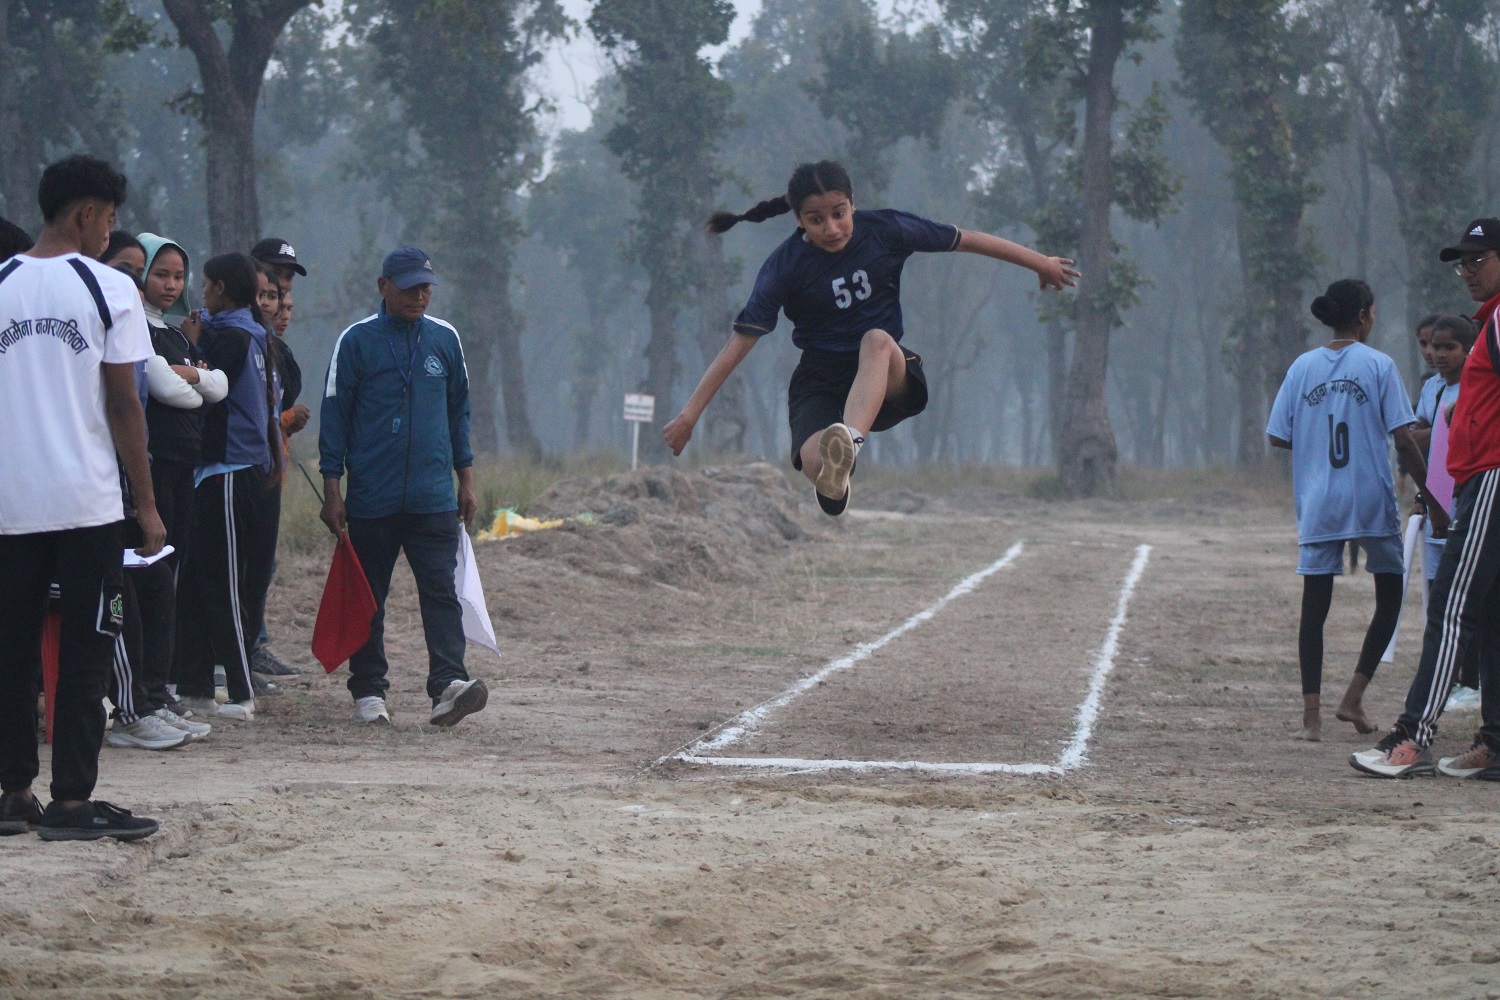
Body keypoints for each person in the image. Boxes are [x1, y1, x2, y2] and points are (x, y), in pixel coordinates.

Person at [664, 160, 1078, 515]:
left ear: (852, 204)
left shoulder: (885, 229)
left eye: (839, 213)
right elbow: (737, 345)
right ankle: (836, 479)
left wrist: (1039, 262)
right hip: (821, 379)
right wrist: (688, 416)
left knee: (876, 340)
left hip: (887, 375)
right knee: (815, 462)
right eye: (816, 220)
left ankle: (850, 442)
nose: (832, 228)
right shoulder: (784, 268)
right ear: (798, 220)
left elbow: (967, 239)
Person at [0, 154, 163, 841]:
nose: (110, 233)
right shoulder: (107, 289)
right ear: (88, 213)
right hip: (88, 506)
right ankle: (70, 801)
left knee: (10, 652)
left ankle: (12, 795)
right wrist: (148, 507)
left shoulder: (2, 282)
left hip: (10, 507)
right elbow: (124, 405)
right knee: (87, 655)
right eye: (111, 219)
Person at [1353, 219, 1500, 779]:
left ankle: (1414, 736)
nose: (1467, 272)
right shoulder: (1486, 322)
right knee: (1489, 612)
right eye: (1461, 263)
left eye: (1478, 260)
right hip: (1478, 477)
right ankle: (1495, 742)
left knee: (1453, 603)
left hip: (1492, 478)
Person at [1266, 279, 1442, 742]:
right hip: (1368, 496)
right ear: (1364, 315)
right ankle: (1354, 695)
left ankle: (1311, 718)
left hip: (1320, 500)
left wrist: (1313, 437)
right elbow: (1404, 439)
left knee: (1315, 608)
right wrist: (1433, 496)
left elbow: (1277, 435)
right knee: (1389, 596)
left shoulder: (1302, 367)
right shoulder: (1379, 365)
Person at [318, 246, 486, 727]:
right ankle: (369, 691)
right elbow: (335, 416)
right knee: (370, 596)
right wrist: (333, 488)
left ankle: (448, 685)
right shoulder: (356, 342)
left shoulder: (445, 340)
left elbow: (460, 413)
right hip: (372, 497)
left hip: (433, 496)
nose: (420, 295)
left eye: (426, 287)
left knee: (441, 592)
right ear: (383, 287)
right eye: (410, 287)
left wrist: (465, 479)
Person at [96, 234, 196, 751]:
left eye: (139, 273)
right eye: (125, 270)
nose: (132, 284)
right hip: (97, 490)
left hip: (133, 482)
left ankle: (152, 700)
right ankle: (130, 711)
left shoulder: (133, 333)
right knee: (120, 599)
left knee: (154, 587)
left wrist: (144, 493)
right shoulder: (90, 329)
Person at [173, 252, 282, 722]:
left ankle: (241, 693)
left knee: (224, 587)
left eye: (202, 282)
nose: (198, 291)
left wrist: (191, 347)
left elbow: (207, 388)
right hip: (219, 473)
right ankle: (195, 686)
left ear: (220, 289)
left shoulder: (233, 338)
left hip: (231, 472)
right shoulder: (252, 334)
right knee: (197, 583)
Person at [138, 233, 222, 735]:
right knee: (150, 581)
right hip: (154, 467)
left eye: (178, 276)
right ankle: (142, 695)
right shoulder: (137, 333)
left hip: (183, 467)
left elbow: (218, 387)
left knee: (170, 579)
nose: (170, 285)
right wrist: (195, 379)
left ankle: (159, 690)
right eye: (160, 274)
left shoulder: (174, 335)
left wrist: (187, 376)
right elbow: (168, 387)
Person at [247, 238, 308, 680]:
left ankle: (254, 644)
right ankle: (245, 648)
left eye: (286, 279)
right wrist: (283, 421)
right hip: (242, 468)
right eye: (275, 276)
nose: (282, 288)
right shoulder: (238, 334)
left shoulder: (270, 340)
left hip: (272, 468)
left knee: (262, 561)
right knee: (245, 563)